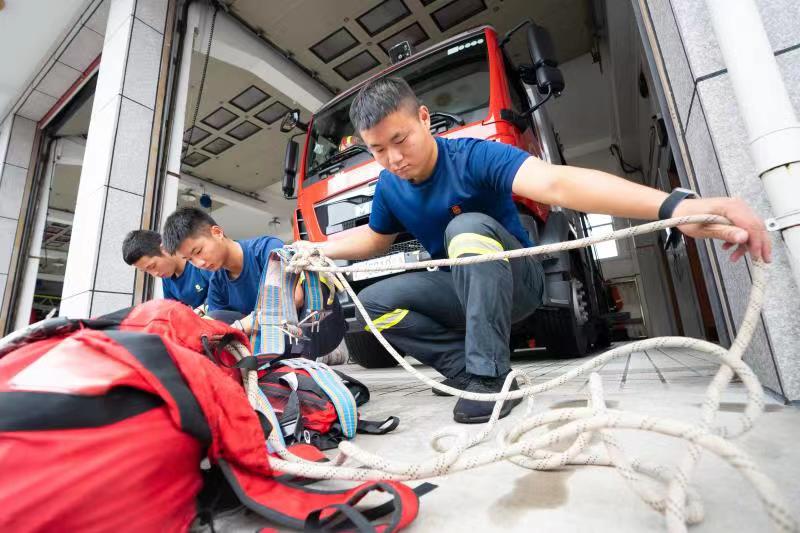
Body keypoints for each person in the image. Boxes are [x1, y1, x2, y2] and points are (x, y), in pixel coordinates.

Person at [292, 77, 771, 425]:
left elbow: (556, 183)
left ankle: (489, 376)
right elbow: (374, 241)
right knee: (374, 305)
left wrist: (675, 206)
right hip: (460, 289)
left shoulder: (474, 155)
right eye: (378, 150)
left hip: (516, 282)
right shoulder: (389, 187)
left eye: (400, 140)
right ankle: (462, 369)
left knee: (467, 227)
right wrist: (314, 248)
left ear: (423, 120)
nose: (393, 158)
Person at [161, 207, 345, 357]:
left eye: (199, 251)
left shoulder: (267, 249)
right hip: (274, 343)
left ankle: (318, 357)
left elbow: (293, 299)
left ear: (217, 232)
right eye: (190, 260)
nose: (199, 263)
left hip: (320, 330)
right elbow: (213, 323)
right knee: (215, 321)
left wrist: (238, 327)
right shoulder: (217, 281)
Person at [122, 229, 211, 310]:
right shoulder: (167, 278)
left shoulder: (199, 262)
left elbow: (220, 293)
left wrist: (197, 313)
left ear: (164, 248)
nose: (154, 274)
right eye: (147, 272)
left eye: (152, 266)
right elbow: (174, 311)